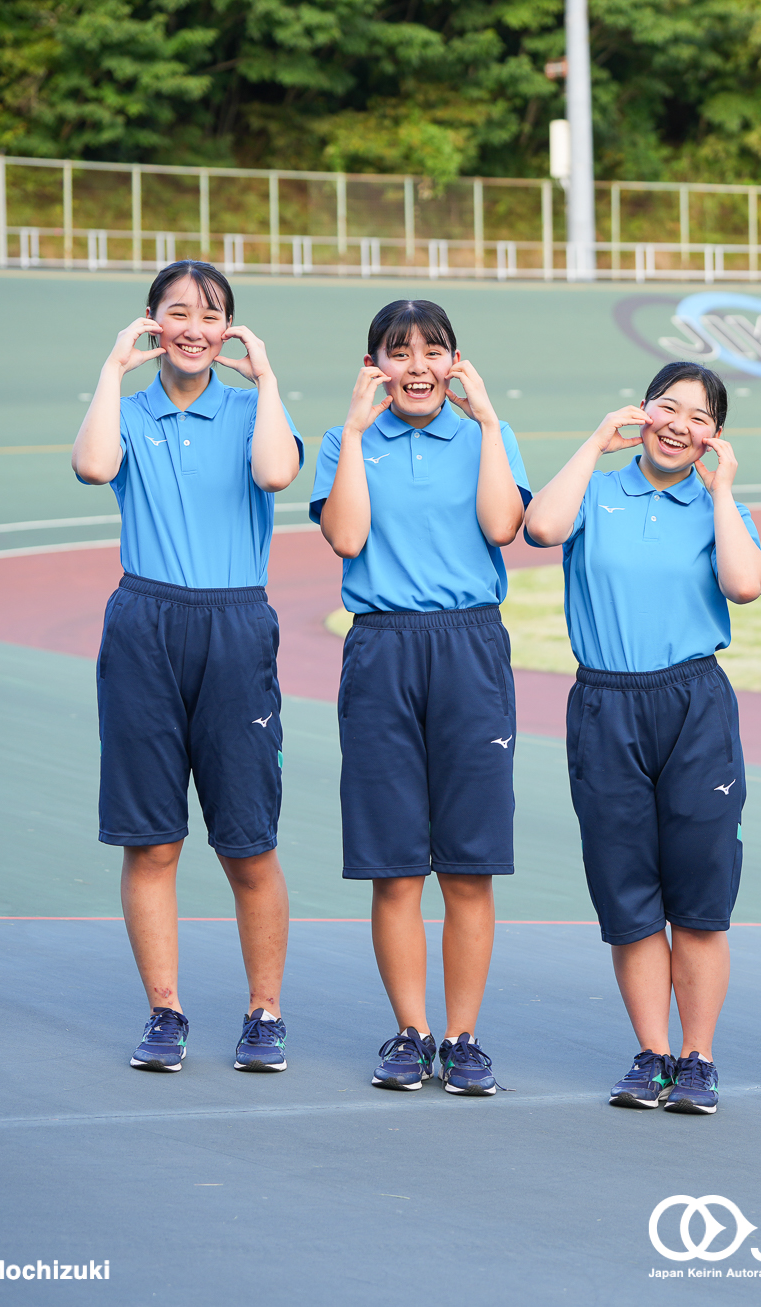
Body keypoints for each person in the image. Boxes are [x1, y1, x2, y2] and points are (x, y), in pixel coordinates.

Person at [70, 260, 303, 1074]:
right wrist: (111, 366)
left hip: (235, 625)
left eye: (212, 314)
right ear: (151, 322)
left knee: (247, 842)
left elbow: (277, 472)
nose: (194, 327)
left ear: (231, 330)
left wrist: (266, 375)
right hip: (145, 623)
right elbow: (95, 466)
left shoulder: (252, 408)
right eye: (177, 312)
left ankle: (264, 1011)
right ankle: (164, 1010)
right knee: (153, 840)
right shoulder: (127, 411)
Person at [522, 362, 761, 1116]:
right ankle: (652, 1052)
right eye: (667, 406)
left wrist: (722, 490)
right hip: (606, 703)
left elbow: (746, 582)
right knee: (628, 891)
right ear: (641, 411)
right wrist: (599, 439)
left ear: (714, 436)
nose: (677, 424)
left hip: (693, 703)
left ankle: (698, 1058)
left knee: (698, 893)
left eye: (698, 416)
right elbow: (542, 527)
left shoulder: (718, 506)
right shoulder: (596, 489)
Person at [310, 300, 530, 1096]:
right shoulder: (348, 442)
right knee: (395, 866)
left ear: (455, 362)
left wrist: (490, 417)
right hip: (382, 647)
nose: (415, 365)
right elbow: (346, 537)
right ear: (374, 367)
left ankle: (464, 1037)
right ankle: (411, 1031)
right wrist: (358, 430)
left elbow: (504, 524)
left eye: (431, 350)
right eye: (396, 352)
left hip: (469, 647)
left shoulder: (483, 438)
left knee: (469, 866)